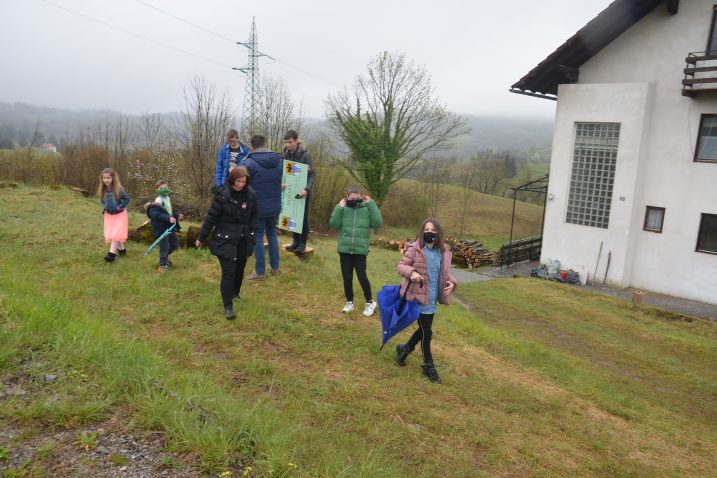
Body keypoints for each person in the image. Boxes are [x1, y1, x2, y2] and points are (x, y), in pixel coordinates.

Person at [395, 218, 457, 383]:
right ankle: (429, 366)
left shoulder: (443, 251)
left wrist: (452, 282)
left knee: (423, 330)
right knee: (427, 333)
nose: (430, 232)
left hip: (432, 298)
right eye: (427, 229)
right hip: (417, 296)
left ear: (438, 233)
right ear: (422, 231)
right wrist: (412, 272)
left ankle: (404, 350)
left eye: (433, 230)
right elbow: (401, 266)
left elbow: (443, 272)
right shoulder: (415, 248)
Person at [196, 166, 258, 320]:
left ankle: (235, 293)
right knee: (228, 272)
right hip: (224, 239)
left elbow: (254, 217)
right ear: (232, 180)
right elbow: (212, 217)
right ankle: (228, 306)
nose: (240, 184)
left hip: (243, 238)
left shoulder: (251, 195)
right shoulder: (222, 196)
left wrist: (253, 235)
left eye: (243, 181)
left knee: (240, 267)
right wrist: (201, 237)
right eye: (238, 181)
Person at [328, 185, 383, 316]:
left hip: (360, 250)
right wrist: (338, 207)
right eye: (352, 198)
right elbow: (333, 224)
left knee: (362, 277)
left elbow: (377, 223)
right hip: (344, 249)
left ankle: (370, 302)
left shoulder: (367, 209)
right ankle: (349, 302)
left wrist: (372, 205)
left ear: (362, 197)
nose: (354, 200)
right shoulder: (343, 209)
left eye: (357, 198)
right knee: (347, 278)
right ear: (347, 197)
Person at [242, 134, 283, 281]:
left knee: (257, 236)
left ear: (252, 147)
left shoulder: (250, 162)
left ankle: (260, 272)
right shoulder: (279, 160)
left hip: (257, 207)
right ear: (265, 144)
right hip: (275, 205)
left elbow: (238, 178)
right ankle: (275, 268)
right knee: (272, 234)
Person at [282, 129, 315, 254]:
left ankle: (302, 243)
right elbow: (283, 172)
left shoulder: (305, 155)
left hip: (303, 193)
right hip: (289, 192)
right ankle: (295, 241)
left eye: (290, 142)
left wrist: (307, 189)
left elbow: (312, 174)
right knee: (292, 215)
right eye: (286, 142)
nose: (288, 145)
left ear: (296, 140)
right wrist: (281, 183)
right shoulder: (285, 154)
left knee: (302, 218)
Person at [145, 179, 183, 272]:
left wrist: (177, 215)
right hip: (161, 229)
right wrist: (168, 218)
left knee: (175, 243)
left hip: (170, 228)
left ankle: (163, 257)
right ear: (157, 190)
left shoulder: (167, 199)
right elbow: (155, 214)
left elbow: (171, 210)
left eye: (165, 188)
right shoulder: (157, 201)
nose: (163, 190)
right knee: (164, 247)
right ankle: (162, 266)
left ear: (168, 188)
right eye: (161, 188)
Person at [98, 168, 130, 262]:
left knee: (116, 233)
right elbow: (102, 201)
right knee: (113, 234)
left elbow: (127, 199)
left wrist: (119, 207)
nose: (106, 180)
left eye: (108, 178)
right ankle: (122, 250)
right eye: (104, 178)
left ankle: (111, 254)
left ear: (113, 178)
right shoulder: (103, 190)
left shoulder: (118, 189)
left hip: (119, 214)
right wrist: (105, 207)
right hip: (109, 216)